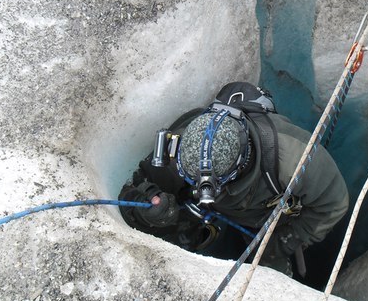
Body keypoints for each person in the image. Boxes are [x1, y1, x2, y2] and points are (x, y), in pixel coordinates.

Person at [119, 82, 349, 277]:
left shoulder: (297, 160)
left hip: (271, 221)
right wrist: (149, 210)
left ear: (239, 167)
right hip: (225, 214)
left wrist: (283, 242)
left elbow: (334, 203)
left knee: (271, 272)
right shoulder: (181, 147)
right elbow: (135, 188)